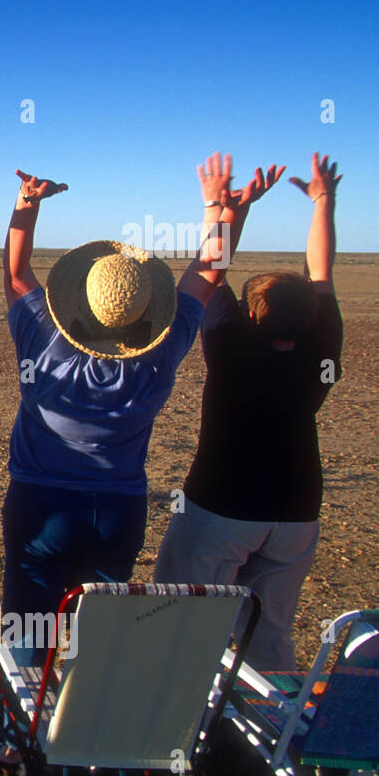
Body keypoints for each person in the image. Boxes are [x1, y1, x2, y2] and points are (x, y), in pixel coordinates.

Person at [0, 152, 281, 663]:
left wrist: (26, 203)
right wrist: (230, 214)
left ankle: (21, 730)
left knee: (28, 624)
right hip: (117, 509)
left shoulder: (41, 335)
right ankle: (91, 721)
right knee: (100, 631)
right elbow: (208, 275)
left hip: (39, 502)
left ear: (76, 298)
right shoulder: (160, 352)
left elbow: (17, 271)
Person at [156, 153, 342, 670]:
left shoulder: (233, 345)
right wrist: (322, 202)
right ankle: (265, 732)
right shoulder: (322, 342)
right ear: (308, 315)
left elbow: (210, 272)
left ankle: (177, 721)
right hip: (298, 508)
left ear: (251, 313)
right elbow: (322, 272)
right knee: (271, 630)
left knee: (182, 618)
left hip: (221, 505)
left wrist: (221, 206)